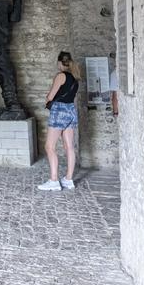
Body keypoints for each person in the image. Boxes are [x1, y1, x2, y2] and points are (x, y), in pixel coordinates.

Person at [38, 51, 81, 191]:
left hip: (59, 111)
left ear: (60, 62)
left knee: (49, 146)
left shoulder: (61, 76)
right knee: (69, 147)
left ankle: (54, 180)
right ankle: (68, 179)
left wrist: (47, 99)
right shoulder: (75, 77)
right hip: (71, 111)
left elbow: (50, 96)